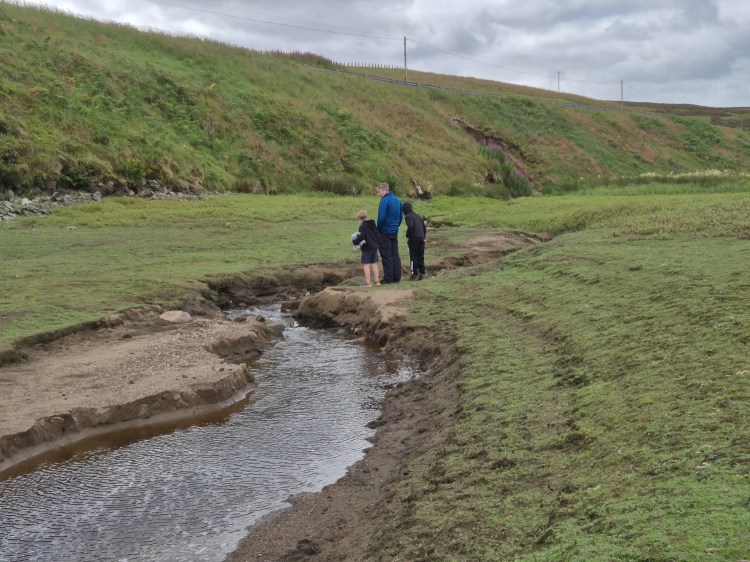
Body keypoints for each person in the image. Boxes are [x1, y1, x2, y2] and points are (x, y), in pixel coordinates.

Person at [375, 182, 402, 283]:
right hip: (394, 231)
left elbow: (381, 217)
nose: (378, 194)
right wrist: (395, 227)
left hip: (385, 231)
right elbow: (400, 217)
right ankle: (397, 277)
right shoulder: (398, 200)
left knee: (386, 255)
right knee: (395, 254)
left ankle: (388, 278)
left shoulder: (384, 200)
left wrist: (378, 229)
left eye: (379, 192)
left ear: (384, 190)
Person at [351, 210, 381, 287]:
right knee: (374, 264)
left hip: (367, 248)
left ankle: (368, 283)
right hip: (374, 247)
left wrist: (355, 241)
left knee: (366, 265)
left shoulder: (362, 226)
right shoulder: (373, 224)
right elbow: (378, 235)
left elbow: (361, 237)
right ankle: (377, 282)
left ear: (360, 219)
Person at [402, 201, 427, 280]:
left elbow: (410, 226)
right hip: (421, 238)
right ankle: (422, 273)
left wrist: (408, 235)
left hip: (414, 239)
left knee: (413, 256)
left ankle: (414, 274)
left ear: (405, 209)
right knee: (420, 256)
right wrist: (423, 236)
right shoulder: (418, 216)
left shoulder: (408, 216)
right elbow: (424, 227)